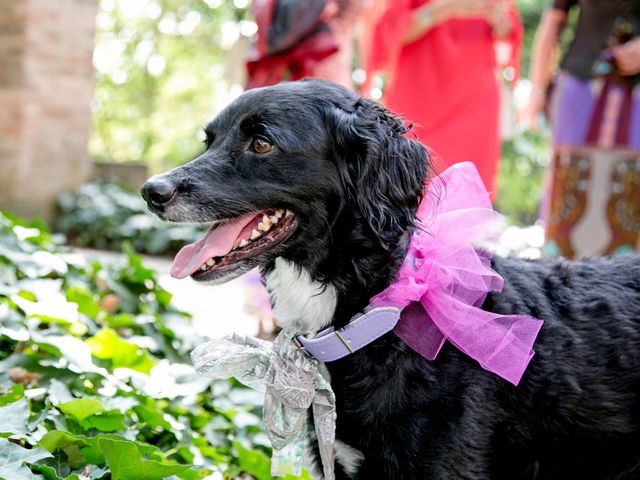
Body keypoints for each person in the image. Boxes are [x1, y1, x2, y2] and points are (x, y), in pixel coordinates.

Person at [522, 0, 640, 258]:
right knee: (567, 187)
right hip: (579, 89)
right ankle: (560, 283)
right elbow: (553, 20)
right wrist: (537, 91)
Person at [366, 0, 522, 194]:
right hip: (419, 95)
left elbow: (508, 34)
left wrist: (500, 23)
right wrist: (443, 10)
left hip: (475, 100)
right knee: (410, 191)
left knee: (467, 197)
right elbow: (389, 33)